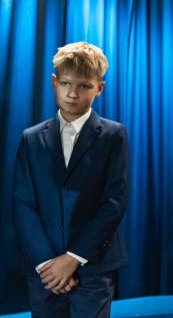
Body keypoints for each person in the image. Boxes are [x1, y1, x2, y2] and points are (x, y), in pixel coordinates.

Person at [12, 42, 129, 318]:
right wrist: (47, 263)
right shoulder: (31, 138)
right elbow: (22, 204)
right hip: (44, 269)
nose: (72, 93)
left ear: (99, 88)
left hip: (93, 265)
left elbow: (114, 201)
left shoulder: (114, 135)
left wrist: (73, 258)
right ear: (55, 82)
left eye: (84, 86)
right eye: (65, 83)